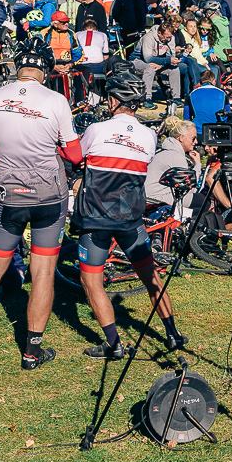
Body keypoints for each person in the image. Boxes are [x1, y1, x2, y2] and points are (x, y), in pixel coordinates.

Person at [0, 45, 79, 370]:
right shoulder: (56, 100)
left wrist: (3, 147)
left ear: (17, 68)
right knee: (43, 272)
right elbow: (75, 155)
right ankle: (32, 351)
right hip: (49, 196)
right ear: (45, 71)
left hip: (10, 197)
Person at [73, 66, 184, 361]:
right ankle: (172, 332)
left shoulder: (96, 130)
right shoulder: (149, 136)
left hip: (96, 217)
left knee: (91, 281)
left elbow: (76, 158)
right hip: (130, 218)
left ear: (113, 100)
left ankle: (114, 344)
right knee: (149, 276)